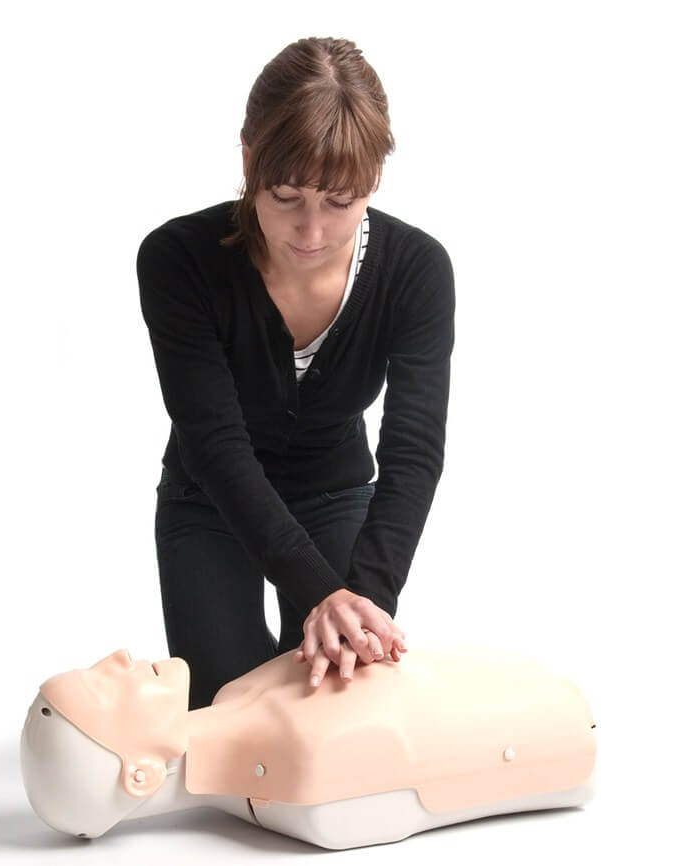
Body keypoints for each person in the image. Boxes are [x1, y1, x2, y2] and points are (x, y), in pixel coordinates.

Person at [136, 36, 455, 711]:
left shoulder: (417, 271)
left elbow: (412, 452)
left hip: (334, 494)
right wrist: (318, 590)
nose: (310, 231)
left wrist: (360, 598)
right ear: (249, 158)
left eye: (339, 202)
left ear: (373, 179)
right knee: (229, 711)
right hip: (209, 498)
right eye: (284, 196)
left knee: (338, 705)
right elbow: (215, 442)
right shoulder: (177, 260)